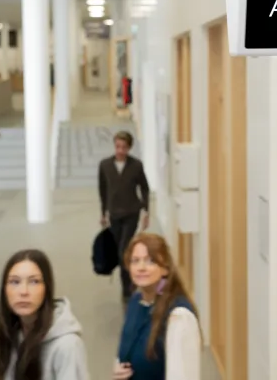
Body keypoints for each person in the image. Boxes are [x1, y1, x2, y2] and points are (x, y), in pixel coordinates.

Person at [0, 249, 90, 380]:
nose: (23, 291)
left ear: (47, 288)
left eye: (34, 282)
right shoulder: (15, 331)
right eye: (15, 282)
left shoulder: (67, 345)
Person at [113, 233, 201, 380]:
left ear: (165, 269)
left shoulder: (179, 317)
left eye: (150, 261)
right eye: (135, 261)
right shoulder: (136, 302)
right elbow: (126, 350)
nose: (141, 267)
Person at [98, 130, 151, 306]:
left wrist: (146, 211)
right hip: (114, 214)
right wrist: (103, 213)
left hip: (131, 213)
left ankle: (129, 288)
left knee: (123, 251)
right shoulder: (105, 165)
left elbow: (144, 188)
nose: (120, 150)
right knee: (120, 251)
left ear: (129, 148)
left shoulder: (136, 165)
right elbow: (102, 190)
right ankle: (128, 285)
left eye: (124, 147)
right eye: (118, 146)